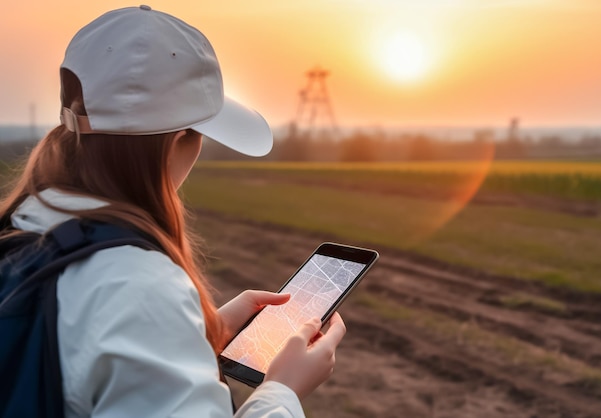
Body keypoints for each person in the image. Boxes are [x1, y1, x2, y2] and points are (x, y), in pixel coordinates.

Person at [0, 5, 345, 417]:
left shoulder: (24, 227)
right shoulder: (136, 284)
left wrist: (194, 337)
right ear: (181, 137)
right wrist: (283, 391)